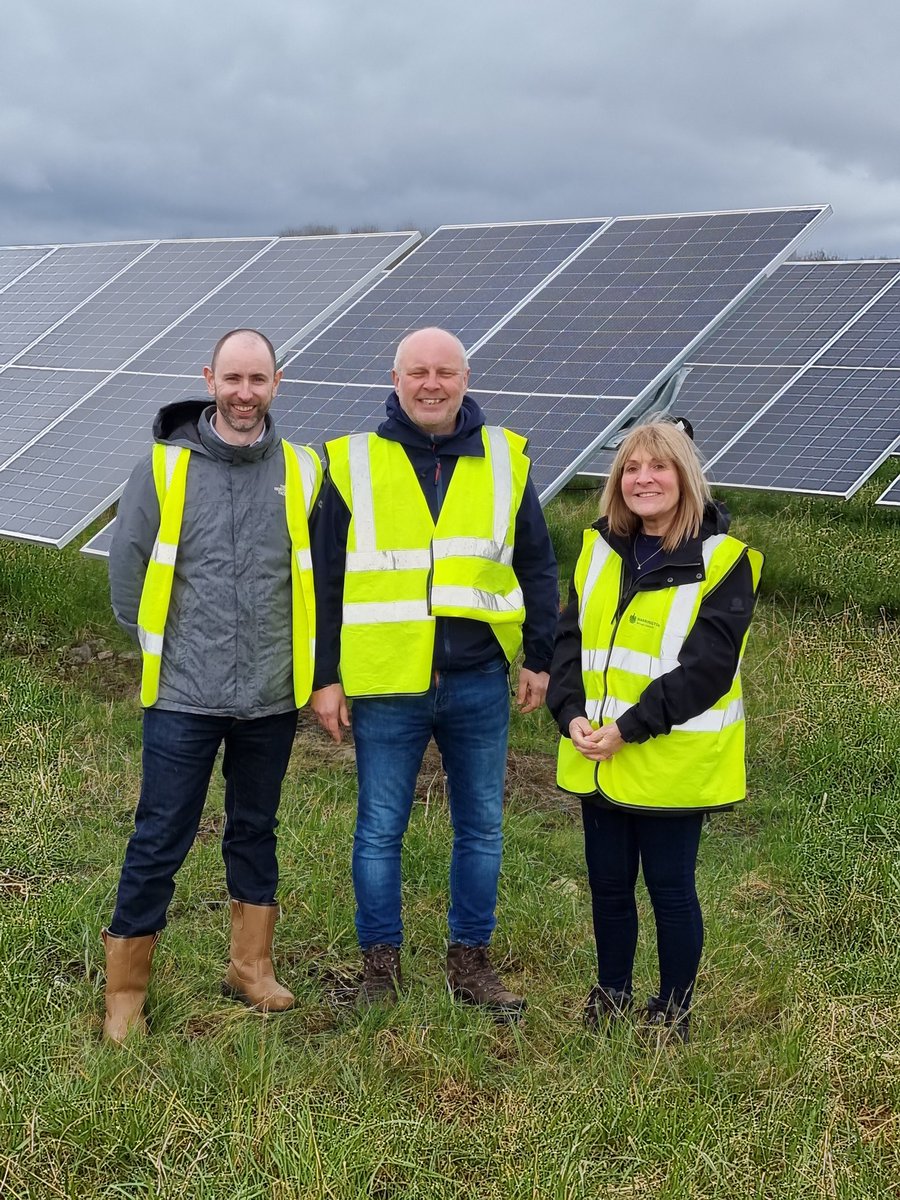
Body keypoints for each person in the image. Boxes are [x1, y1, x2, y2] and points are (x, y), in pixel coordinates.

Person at [311, 327, 558, 1020]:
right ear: (394, 380)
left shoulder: (505, 460)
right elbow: (325, 579)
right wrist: (325, 677)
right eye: (417, 371)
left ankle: (469, 963)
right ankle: (380, 967)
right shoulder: (353, 462)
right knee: (379, 828)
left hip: (479, 678)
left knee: (481, 827)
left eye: (444, 372)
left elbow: (536, 563)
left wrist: (539, 655)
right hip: (386, 684)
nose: (431, 383)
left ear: (465, 379)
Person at [102, 328, 321, 1043]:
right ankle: (126, 993)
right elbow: (127, 575)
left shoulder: (302, 470)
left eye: (258, 380)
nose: (245, 393)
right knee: (161, 835)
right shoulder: (163, 469)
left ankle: (249, 967)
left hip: (269, 695)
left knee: (255, 831)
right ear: (210, 379)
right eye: (233, 379)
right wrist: (171, 651)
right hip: (183, 697)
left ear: (276, 384)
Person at [547, 419, 763, 1042]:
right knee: (609, 886)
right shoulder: (598, 551)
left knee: (671, 891)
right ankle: (611, 993)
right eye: (632, 469)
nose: (644, 479)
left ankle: (673, 1010)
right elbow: (569, 641)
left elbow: (708, 669)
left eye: (659, 467)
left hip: (670, 762)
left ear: (685, 477)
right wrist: (570, 715)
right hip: (597, 757)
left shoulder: (723, 561)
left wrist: (629, 729)